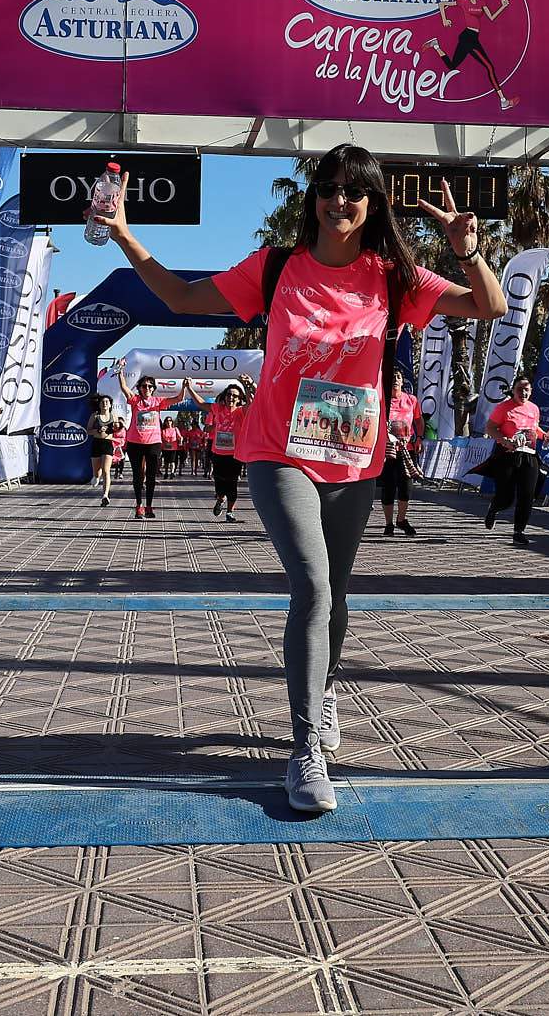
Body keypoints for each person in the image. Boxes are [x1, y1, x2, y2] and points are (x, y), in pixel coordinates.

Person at [98, 145, 506, 814]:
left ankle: (326, 683)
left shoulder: (392, 276)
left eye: (354, 192)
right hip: (277, 451)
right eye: (329, 188)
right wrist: (124, 236)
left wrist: (467, 249)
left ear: (372, 204)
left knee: (336, 596)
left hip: (354, 456)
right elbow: (177, 294)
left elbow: (486, 305)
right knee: (312, 586)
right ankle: (305, 747)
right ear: (312, 196)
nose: (338, 201)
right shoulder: (277, 267)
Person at [425, 0, 520, 110]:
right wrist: (444, 19)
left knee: (452, 66)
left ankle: (436, 46)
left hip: (472, 37)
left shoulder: (482, 2)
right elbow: (442, 4)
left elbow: (491, 18)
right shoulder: (464, 2)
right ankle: (503, 101)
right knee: (489, 67)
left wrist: (502, 6)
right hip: (468, 37)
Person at [482, 375, 549, 546]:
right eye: (520, 389)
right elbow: (490, 428)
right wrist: (504, 439)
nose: (523, 393)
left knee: (527, 495)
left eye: (526, 390)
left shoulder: (534, 408)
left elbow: (534, 428)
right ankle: (494, 507)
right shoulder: (503, 408)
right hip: (508, 454)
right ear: (513, 390)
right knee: (506, 497)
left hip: (529, 454)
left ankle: (518, 531)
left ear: (531, 391)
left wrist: (545, 436)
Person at [116, 367, 172, 518]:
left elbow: (178, 399)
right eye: (144, 386)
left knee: (151, 476)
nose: (147, 388)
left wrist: (186, 387)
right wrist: (120, 373)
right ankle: (139, 505)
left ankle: (149, 506)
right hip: (135, 443)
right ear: (140, 388)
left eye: (150, 386)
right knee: (138, 475)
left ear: (153, 389)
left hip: (154, 443)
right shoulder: (135, 401)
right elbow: (124, 388)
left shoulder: (158, 402)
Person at [379, 363, 423, 537]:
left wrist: (419, 438)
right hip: (388, 450)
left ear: (403, 381)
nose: (395, 380)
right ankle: (388, 523)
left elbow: (419, 421)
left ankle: (401, 519)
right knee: (388, 486)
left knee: (406, 487)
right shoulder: (382, 399)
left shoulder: (411, 400)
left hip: (407, 449)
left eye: (398, 377)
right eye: (392, 377)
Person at [207, 379, 255, 519]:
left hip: (234, 454)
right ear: (225, 396)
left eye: (234, 395)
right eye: (229, 394)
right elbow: (201, 404)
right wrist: (190, 389)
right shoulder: (218, 409)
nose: (231, 397)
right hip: (218, 453)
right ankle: (220, 499)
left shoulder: (241, 411)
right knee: (219, 482)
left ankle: (230, 512)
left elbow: (251, 403)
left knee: (232, 482)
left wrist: (247, 386)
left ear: (239, 398)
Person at [87, 393, 123, 506]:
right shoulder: (94, 416)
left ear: (110, 404)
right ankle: (96, 477)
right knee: (97, 473)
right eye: (102, 402)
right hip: (96, 443)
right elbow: (88, 430)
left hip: (108, 443)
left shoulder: (114, 416)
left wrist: (118, 427)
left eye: (107, 402)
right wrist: (97, 430)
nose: (105, 404)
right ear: (99, 404)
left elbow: (117, 430)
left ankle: (105, 495)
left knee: (106, 470)